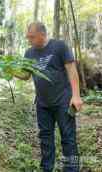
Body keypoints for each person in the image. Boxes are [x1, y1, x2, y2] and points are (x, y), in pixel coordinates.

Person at [15, 22, 83, 172]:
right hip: (42, 103)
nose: (29, 40)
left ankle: (72, 169)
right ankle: (46, 168)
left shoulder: (59, 47)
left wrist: (76, 96)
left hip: (63, 101)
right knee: (45, 138)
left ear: (42, 34)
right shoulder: (29, 53)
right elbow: (25, 75)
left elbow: (72, 71)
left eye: (32, 37)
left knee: (68, 138)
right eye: (28, 37)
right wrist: (8, 70)